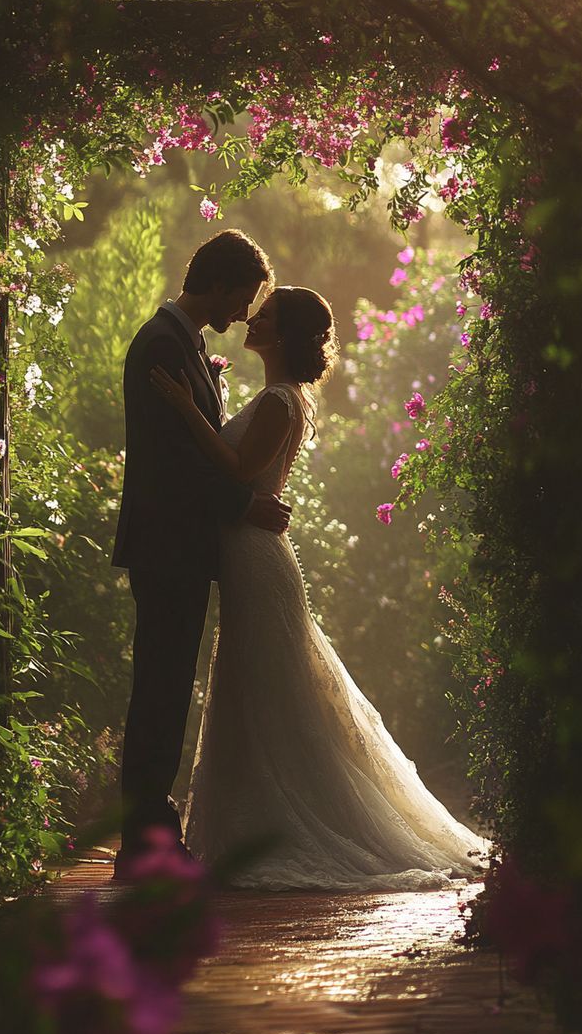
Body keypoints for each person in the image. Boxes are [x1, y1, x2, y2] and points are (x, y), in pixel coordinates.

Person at [151, 284, 489, 890]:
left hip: (257, 557)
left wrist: (185, 408)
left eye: (267, 315)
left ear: (285, 335)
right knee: (257, 687)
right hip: (248, 551)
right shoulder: (277, 397)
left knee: (268, 688)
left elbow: (238, 470)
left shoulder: (280, 400)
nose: (253, 320)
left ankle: (285, 824)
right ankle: (257, 823)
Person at [111, 230, 291, 874]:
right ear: (217, 284)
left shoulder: (181, 343)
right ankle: (144, 844)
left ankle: (149, 835)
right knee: (159, 691)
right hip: (167, 546)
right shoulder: (162, 343)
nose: (243, 313)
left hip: (178, 546)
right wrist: (244, 506)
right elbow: (172, 461)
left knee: (165, 689)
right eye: (242, 298)